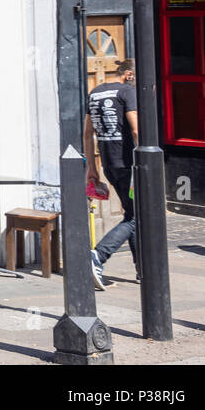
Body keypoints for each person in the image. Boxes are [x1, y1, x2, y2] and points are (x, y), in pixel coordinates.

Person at [84, 58, 139, 290]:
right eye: (136, 78)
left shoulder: (94, 93)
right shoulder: (126, 92)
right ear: (128, 74)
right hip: (129, 164)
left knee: (133, 213)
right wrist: (144, 163)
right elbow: (136, 130)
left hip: (108, 163)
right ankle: (98, 255)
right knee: (137, 217)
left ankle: (142, 270)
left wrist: (92, 168)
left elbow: (88, 133)